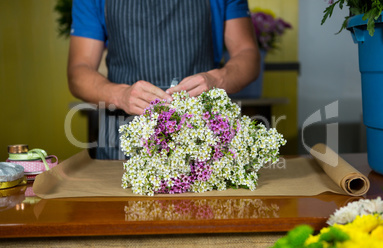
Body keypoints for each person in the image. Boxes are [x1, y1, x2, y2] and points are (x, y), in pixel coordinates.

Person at [68, 0, 260, 159]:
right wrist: (120, 95)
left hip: (202, 142)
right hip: (122, 142)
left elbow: (247, 54)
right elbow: (78, 72)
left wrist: (217, 79)